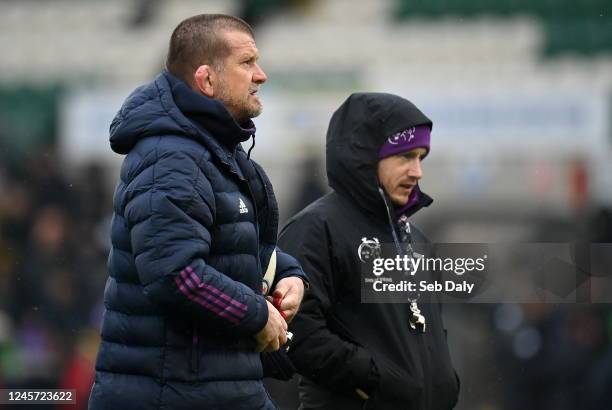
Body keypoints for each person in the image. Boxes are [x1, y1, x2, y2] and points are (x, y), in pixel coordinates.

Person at [88, 14, 307, 410]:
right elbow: (176, 273)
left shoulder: (212, 150)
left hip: (215, 384)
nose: (261, 75)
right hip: (172, 392)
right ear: (206, 80)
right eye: (247, 63)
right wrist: (258, 315)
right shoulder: (170, 156)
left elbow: (231, 248)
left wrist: (289, 274)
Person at [278, 93, 460, 410]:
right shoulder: (316, 229)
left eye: (421, 157)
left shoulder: (416, 240)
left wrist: (442, 383)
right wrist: (373, 378)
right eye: (405, 157)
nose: (417, 172)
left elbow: (422, 333)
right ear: (365, 156)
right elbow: (296, 331)